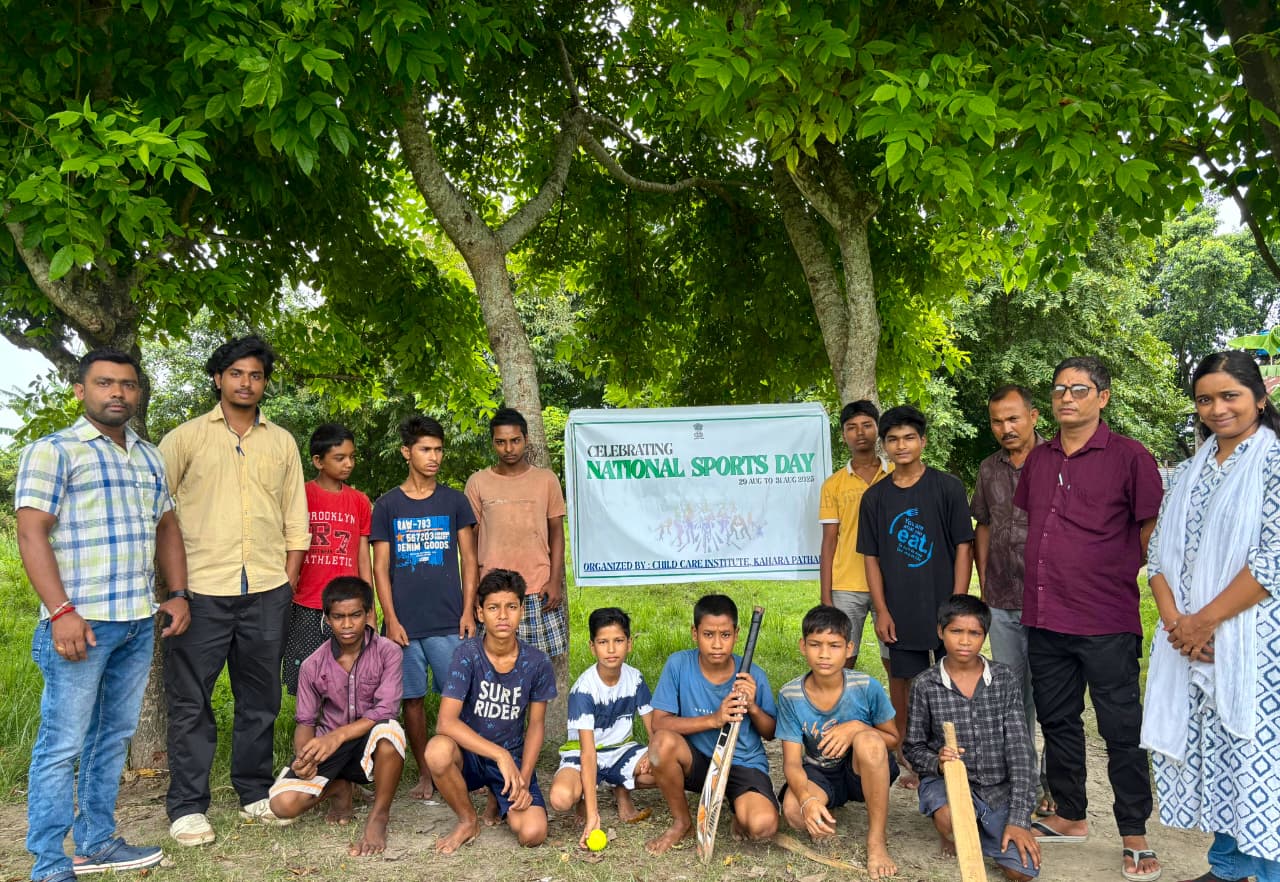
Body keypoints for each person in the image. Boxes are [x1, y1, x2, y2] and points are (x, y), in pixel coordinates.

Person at [15, 350, 191, 882]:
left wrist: (178, 593)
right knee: (61, 745)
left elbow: (166, 526)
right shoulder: (53, 451)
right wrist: (61, 611)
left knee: (111, 738)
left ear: (137, 393)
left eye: (128, 385)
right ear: (80, 390)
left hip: (136, 621)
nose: (117, 392)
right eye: (104, 383)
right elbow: (31, 532)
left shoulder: (148, 456)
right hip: (79, 625)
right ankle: (50, 863)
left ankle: (97, 842)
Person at [1013, 356, 1163, 882]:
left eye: (1079, 389)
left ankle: (1134, 832)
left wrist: (1113, 571)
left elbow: (1150, 530)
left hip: (1105, 617)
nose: (1067, 398)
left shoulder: (1130, 456)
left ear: (1103, 397)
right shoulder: (1039, 458)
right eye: (1059, 389)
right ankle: (1071, 814)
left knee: (1121, 728)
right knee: (1058, 719)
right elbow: (1038, 524)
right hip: (1045, 614)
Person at [160, 335, 310, 845]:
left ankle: (253, 791)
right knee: (191, 702)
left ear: (265, 383)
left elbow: (295, 518)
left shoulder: (281, 442)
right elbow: (159, 512)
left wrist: (287, 580)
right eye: (237, 373)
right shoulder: (185, 439)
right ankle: (187, 807)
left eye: (256, 375)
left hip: (267, 589)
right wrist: (175, 589)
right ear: (218, 378)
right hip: (200, 590)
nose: (247, 383)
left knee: (260, 700)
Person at [1141, 351, 1280, 882]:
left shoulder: (1273, 462)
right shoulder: (1187, 472)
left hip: (1253, 639)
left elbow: (1271, 560)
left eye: (1230, 396)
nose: (1217, 408)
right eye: (1205, 399)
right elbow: (1158, 557)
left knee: (1259, 757)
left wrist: (1204, 622)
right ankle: (1228, 866)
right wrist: (1179, 624)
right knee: (1217, 752)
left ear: (1259, 399)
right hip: (1189, 639)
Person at [858, 404, 974, 788]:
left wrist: (957, 605)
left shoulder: (947, 487)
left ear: (923, 441)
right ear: (884, 445)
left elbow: (964, 547)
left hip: (943, 606)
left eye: (909, 438)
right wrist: (881, 610)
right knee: (904, 682)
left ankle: (954, 753)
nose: (902, 445)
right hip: (900, 609)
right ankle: (911, 756)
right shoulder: (875, 498)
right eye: (893, 439)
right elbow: (871, 559)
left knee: (951, 680)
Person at [371, 414, 478, 802]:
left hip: (450, 620)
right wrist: (391, 619)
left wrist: (468, 611)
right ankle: (425, 773)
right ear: (407, 452)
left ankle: (464, 768)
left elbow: (470, 560)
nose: (434, 457)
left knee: (461, 698)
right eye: (425, 449)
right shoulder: (387, 505)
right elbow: (380, 568)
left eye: (438, 450)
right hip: (405, 626)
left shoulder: (454, 501)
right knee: (412, 700)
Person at [903, 595, 1041, 881]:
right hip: (948, 784)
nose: (964, 641)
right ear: (940, 632)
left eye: (974, 633)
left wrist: (1018, 819)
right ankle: (953, 829)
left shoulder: (1004, 679)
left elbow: (1020, 751)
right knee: (951, 819)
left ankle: (985, 826)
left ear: (985, 635)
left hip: (997, 787)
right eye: (956, 631)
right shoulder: (925, 684)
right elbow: (913, 747)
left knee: (1021, 872)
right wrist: (938, 762)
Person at [267, 577, 405, 856]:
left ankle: (379, 816)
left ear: (369, 613)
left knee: (389, 732)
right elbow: (305, 721)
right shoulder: (312, 665)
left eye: (355, 615)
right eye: (339, 617)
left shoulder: (388, 652)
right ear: (327, 619)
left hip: (367, 744)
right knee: (282, 805)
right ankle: (340, 788)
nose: (347, 624)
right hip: (329, 750)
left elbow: (385, 710)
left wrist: (338, 735)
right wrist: (304, 758)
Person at [425, 569, 556, 854]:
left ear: (522, 610)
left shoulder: (537, 662)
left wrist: (523, 777)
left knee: (533, 833)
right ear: (480, 613)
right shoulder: (467, 654)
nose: (503, 616)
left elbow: (536, 725)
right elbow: (445, 723)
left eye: (511, 607)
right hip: (469, 755)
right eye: (494, 608)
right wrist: (499, 754)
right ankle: (467, 820)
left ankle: (499, 796)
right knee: (437, 751)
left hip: (512, 758)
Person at [971, 385, 1053, 817]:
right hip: (1002, 598)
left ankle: (1057, 784)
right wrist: (984, 581)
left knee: (1053, 695)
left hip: (1053, 600)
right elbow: (983, 524)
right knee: (1012, 694)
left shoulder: (1058, 460)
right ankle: (1025, 780)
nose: (1006, 428)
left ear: (1033, 416)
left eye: (1013, 418)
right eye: (997, 421)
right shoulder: (989, 469)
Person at [644, 593, 778, 854]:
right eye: (708, 635)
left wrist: (752, 707)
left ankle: (738, 805)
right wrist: (714, 719)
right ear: (695, 633)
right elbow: (660, 723)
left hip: (743, 763)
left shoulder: (754, 674)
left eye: (725, 635)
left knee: (762, 827)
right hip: (699, 762)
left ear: (737, 634)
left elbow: (771, 732)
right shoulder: (678, 665)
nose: (717, 644)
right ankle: (682, 821)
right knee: (661, 745)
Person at [776, 604, 899, 880]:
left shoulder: (866, 687)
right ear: (803, 646)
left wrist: (856, 728)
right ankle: (825, 804)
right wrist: (807, 800)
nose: (824, 654)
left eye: (834, 646)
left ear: (849, 648)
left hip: (861, 769)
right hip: (819, 773)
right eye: (815, 645)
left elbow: (892, 739)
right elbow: (792, 763)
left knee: (868, 740)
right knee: (794, 813)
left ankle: (876, 840)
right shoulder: (790, 695)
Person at [464, 408, 569, 730]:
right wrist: (473, 593)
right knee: (494, 673)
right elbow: (470, 543)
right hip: (493, 594)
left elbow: (556, 532)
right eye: (501, 442)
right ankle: (499, 739)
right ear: (492, 443)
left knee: (534, 670)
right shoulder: (478, 483)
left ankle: (531, 738)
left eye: (515, 441)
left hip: (537, 589)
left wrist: (555, 580)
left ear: (526, 439)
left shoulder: (546, 480)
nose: (508, 448)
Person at [548, 607, 655, 846]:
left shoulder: (635, 679)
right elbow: (588, 753)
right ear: (592, 647)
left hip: (622, 751)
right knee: (560, 799)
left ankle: (621, 788)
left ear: (629, 643)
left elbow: (653, 729)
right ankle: (584, 798)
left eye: (618, 641)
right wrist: (593, 814)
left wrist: (653, 752)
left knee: (666, 766)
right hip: (583, 753)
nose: (611, 649)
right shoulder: (583, 689)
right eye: (603, 642)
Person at [283, 423, 373, 695]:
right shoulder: (300, 496)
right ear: (318, 461)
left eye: (352, 457)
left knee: (349, 680)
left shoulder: (359, 501)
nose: (349, 464)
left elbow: (363, 558)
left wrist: (369, 608)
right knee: (308, 682)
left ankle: (343, 724)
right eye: (340, 458)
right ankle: (310, 723)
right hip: (306, 604)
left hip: (348, 606)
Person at [818, 400, 893, 669]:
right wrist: (826, 596)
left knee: (896, 659)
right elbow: (829, 541)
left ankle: (900, 701)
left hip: (892, 582)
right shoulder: (833, 484)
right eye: (852, 427)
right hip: (846, 585)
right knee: (842, 659)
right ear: (843, 435)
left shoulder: (897, 475)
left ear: (878, 429)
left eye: (867, 425)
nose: (860, 433)